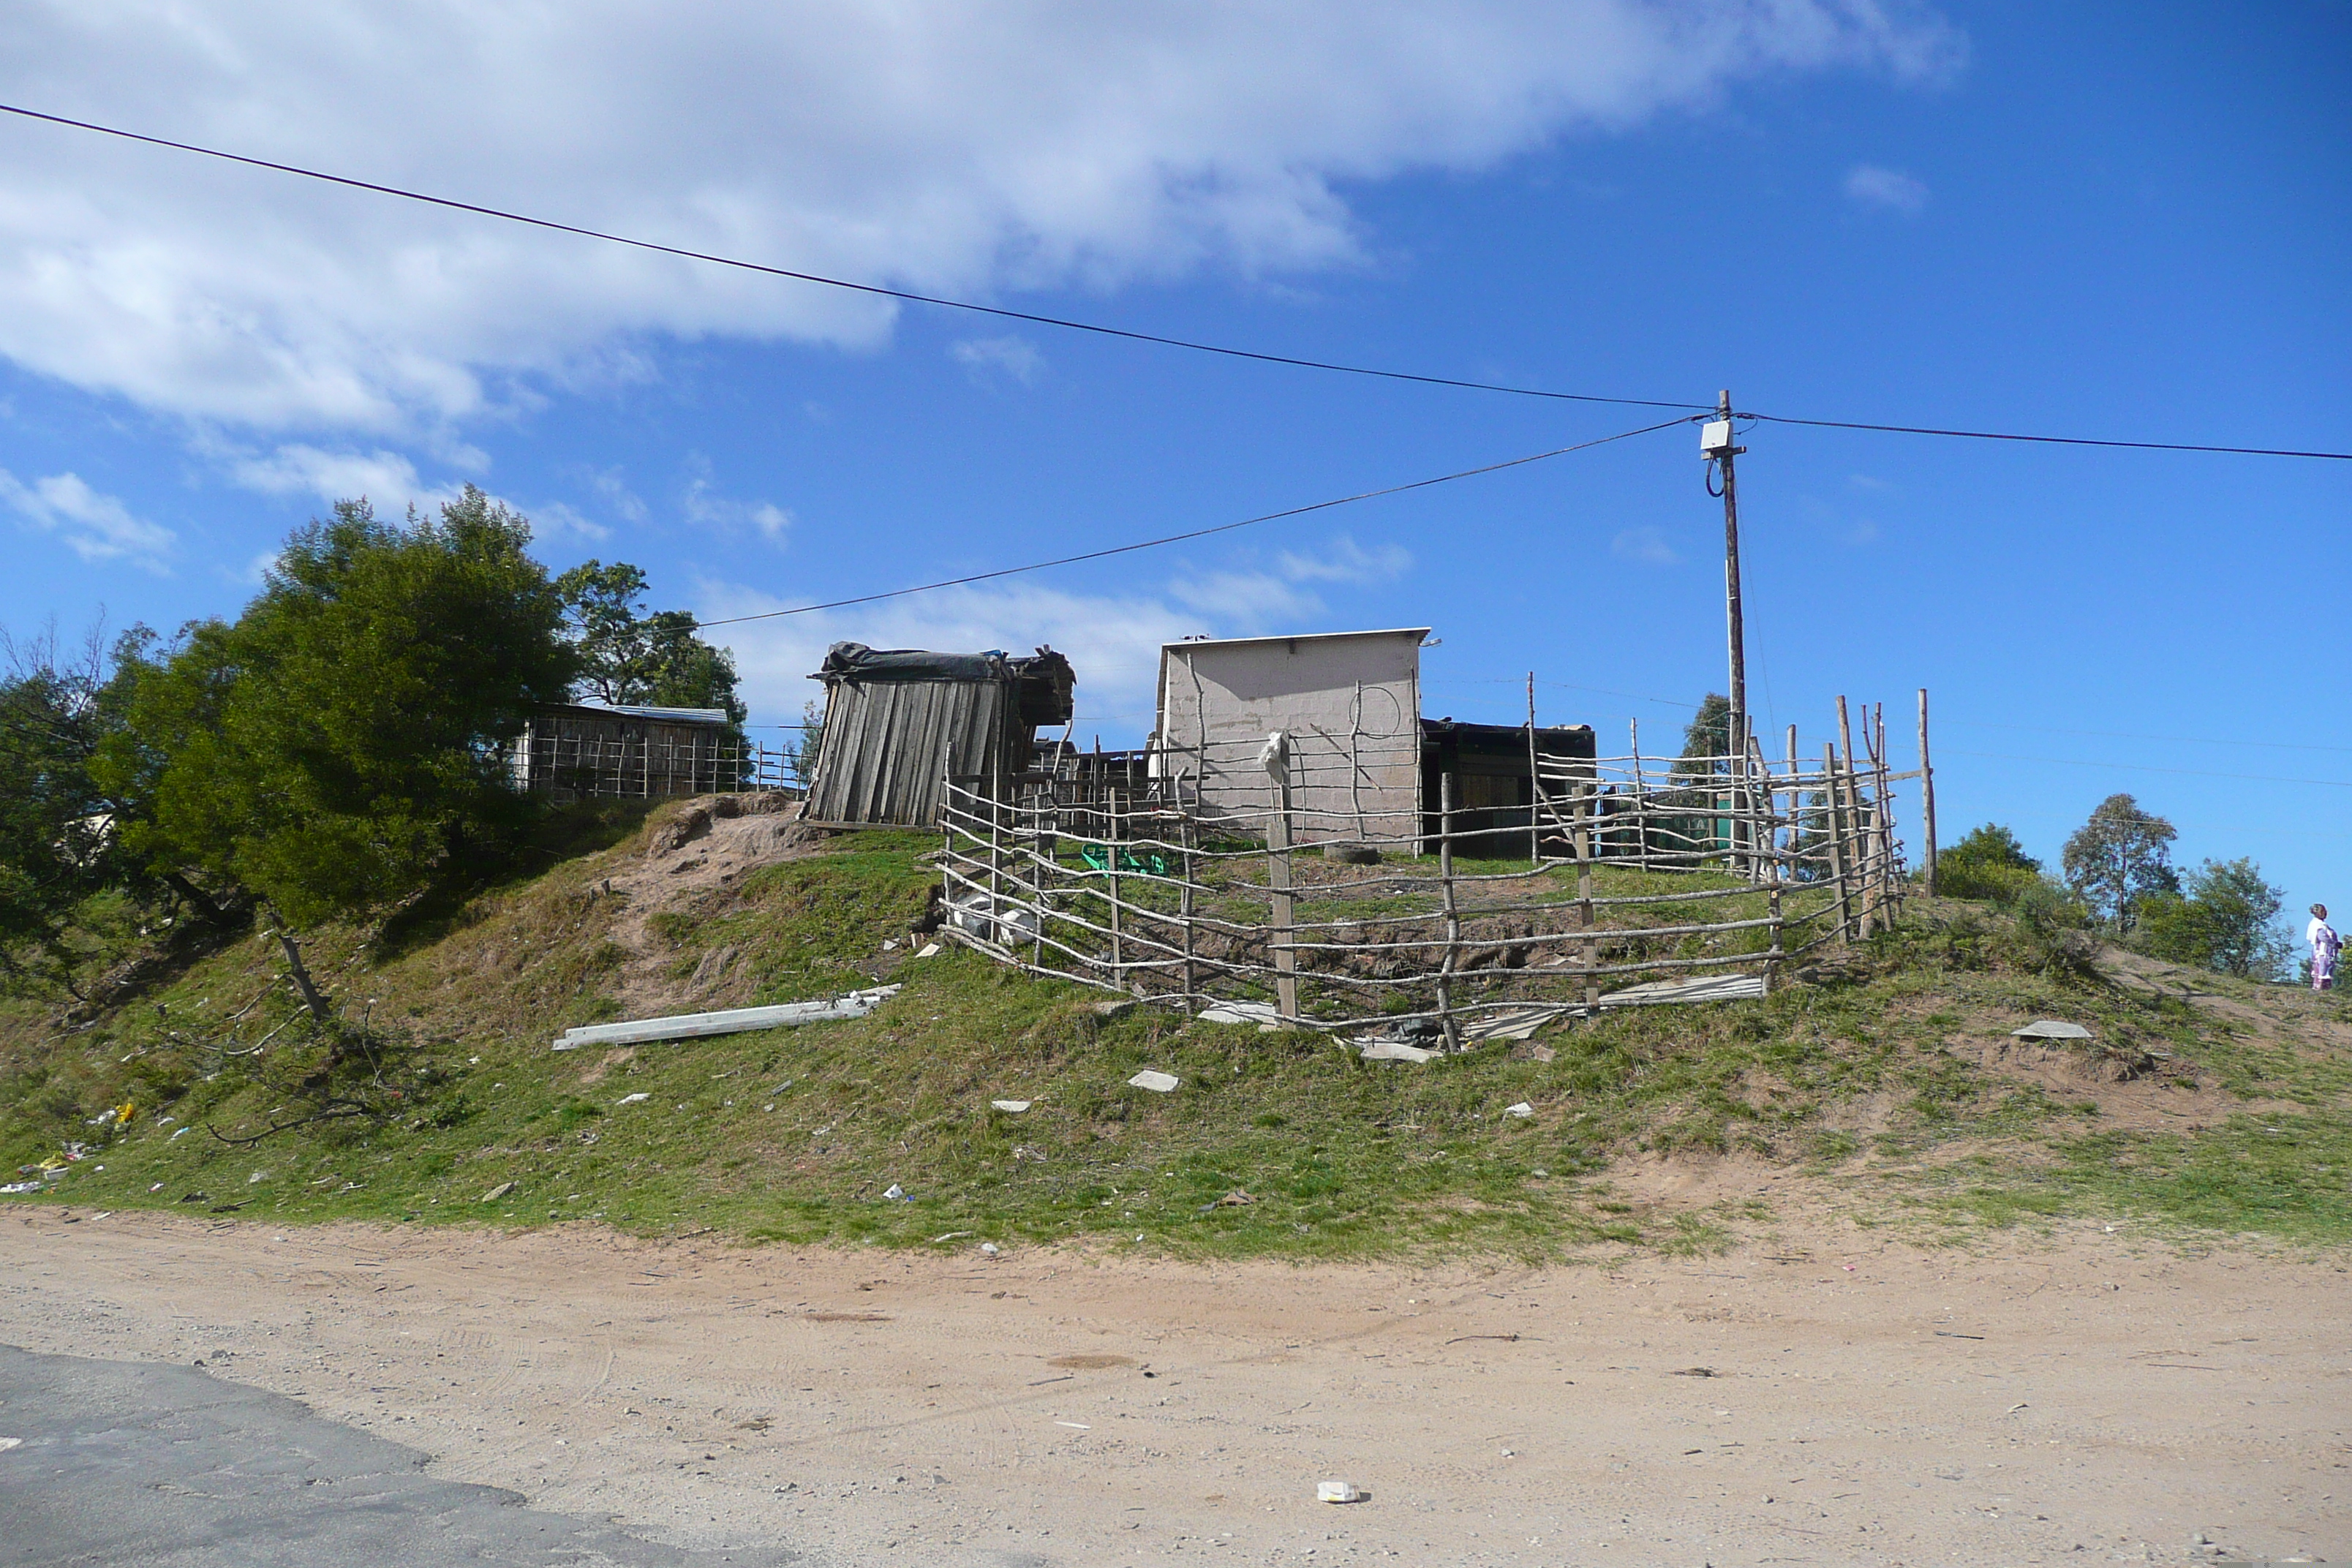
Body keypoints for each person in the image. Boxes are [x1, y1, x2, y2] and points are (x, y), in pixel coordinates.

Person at [2310, 904, 2341, 992]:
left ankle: (2324, 989)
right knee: (2323, 968)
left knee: (2326, 967)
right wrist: (2334, 943)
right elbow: (2322, 937)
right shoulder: (2318, 925)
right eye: (2323, 911)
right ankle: (2321, 988)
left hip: (2327, 950)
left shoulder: (2322, 924)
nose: (2326, 913)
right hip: (2323, 950)